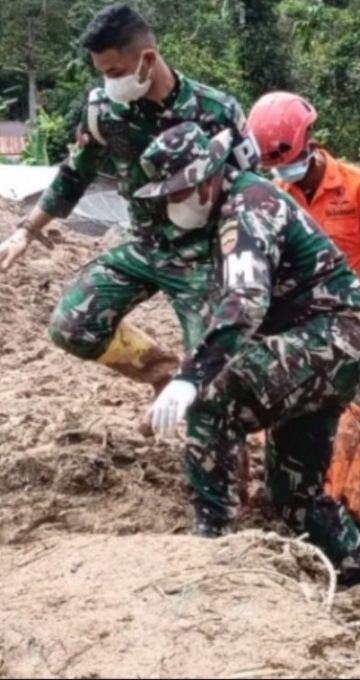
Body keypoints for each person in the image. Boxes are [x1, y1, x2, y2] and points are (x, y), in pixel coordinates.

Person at [137, 122, 360, 588]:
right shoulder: (227, 211)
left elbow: (245, 301)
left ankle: (210, 545)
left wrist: (191, 377)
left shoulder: (248, 207)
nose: (175, 203)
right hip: (325, 345)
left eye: (181, 192)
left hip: (333, 337)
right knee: (294, 493)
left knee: (213, 398)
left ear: (210, 177)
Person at [0, 4, 250, 395]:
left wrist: (249, 267)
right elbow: (74, 174)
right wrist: (26, 231)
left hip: (201, 256)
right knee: (71, 326)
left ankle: (209, 403)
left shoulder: (216, 112)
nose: (107, 81)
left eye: (114, 72)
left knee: (216, 375)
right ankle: (165, 374)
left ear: (147, 59)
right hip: (143, 247)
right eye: (101, 72)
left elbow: (251, 193)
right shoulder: (104, 110)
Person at [245, 92, 360, 379]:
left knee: (343, 420)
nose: (283, 169)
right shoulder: (274, 197)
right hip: (299, 333)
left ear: (308, 140)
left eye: (288, 158)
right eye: (274, 165)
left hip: (353, 327)